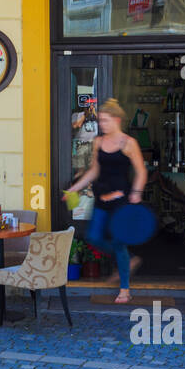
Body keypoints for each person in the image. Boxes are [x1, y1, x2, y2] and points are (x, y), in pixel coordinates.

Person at [62, 98, 147, 304]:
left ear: (117, 120)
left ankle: (125, 289)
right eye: (100, 121)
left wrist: (136, 192)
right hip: (101, 199)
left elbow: (141, 171)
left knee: (118, 242)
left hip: (121, 201)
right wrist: (74, 188)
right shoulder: (98, 142)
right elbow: (94, 171)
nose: (102, 124)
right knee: (94, 237)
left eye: (106, 120)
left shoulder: (128, 143)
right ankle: (129, 258)